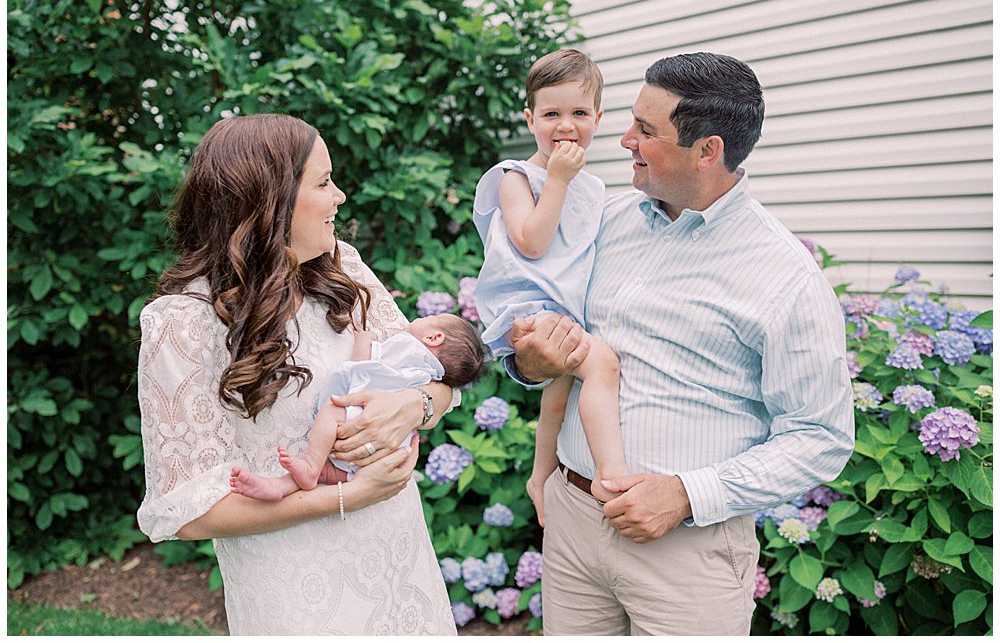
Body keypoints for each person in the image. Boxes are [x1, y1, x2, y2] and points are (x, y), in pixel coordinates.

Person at [506, 53, 855, 635]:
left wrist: (688, 495)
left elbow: (821, 436)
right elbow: (546, 340)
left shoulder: (784, 275)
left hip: (685, 555)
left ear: (707, 150)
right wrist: (531, 361)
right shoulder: (600, 221)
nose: (623, 140)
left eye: (645, 131)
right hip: (571, 523)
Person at [136, 114, 460, 635]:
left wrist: (416, 404)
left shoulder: (342, 269)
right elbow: (188, 509)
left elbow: (438, 375)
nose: (341, 197)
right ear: (270, 200)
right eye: (324, 182)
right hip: (296, 590)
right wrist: (348, 497)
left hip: (399, 562)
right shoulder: (180, 323)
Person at [472, 48, 627, 509]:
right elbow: (531, 242)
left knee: (558, 401)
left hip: (566, 310)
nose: (565, 125)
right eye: (551, 113)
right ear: (529, 118)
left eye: (579, 112)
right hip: (530, 306)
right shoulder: (514, 177)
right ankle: (611, 473)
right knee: (603, 367)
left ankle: (540, 479)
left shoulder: (593, 186)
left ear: (598, 117)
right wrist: (557, 180)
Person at [230, 314, 486, 501]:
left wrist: (366, 339)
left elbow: (363, 365)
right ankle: (285, 485)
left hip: (359, 418)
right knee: (332, 472)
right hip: (386, 452)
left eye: (430, 316)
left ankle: (309, 467)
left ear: (433, 337)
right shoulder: (429, 374)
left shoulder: (410, 348)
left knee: (333, 410)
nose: (419, 317)